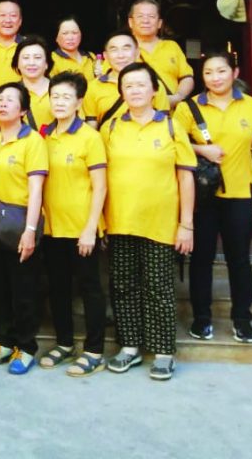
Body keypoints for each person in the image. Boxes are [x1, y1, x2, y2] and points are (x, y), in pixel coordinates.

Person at [101, 62, 195, 381]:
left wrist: (186, 224)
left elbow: (186, 177)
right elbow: (98, 176)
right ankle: (130, 347)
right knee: (123, 286)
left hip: (160, 223)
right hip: (119, 220)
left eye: (141, 84)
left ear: (155, 90)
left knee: (158, 288)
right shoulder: (111, 128)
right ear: (121, 92)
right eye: (128, 86)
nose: (135, 91)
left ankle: (164, 352)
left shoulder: (170, 126)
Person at [187, 51, 252, 344]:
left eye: (221, 71)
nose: (215, 78)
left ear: (235, 73)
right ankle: (201, 319)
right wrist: (202, 149)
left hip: (240, 193)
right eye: (208, 72)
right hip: (203, 195)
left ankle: (242, 319)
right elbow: (175, 144)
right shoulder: (189, 108)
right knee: (201, 258)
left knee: (239, 259)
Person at [38, 72, 108, 377]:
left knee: (90, 288)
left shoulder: (90, 137)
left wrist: (91, 227)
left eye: (66, 97)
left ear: (79, 102)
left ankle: (94, 350)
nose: (60, 102)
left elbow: (101, 186)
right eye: (55, 97)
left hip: (82, 228)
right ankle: (64, 343)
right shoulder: (44, 136)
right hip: (52, 227)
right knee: (58, 288)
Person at [0, 82, 48, 375]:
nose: (3, 104)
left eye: (10, 100)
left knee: (23, 292)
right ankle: (3, 342)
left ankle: (26, 347)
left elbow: (37, 188)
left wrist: (30, 230)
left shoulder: (32, 141)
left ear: (23, 110)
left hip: (19, 226)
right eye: (0, 100)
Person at [83, 30, 178, 129]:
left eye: (126, 48)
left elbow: (163, 124)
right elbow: (92, 127)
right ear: (106, 56)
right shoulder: (93, 88)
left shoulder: (153, 84)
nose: (121, 55)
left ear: (137, 53)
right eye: (114, 50)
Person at [128, 0, 194, 107]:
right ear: (131, 22)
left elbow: (187, 77)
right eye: (140, 16)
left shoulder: (171, 46)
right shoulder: (123, 49)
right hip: (133, 112)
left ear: (159, 23)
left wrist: (177, 97)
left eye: (151, 16)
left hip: (170, 113)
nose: (145, 21)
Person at [13, 35, 54, 130]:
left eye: (37, 57)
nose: (31, 63)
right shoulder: (11, 93)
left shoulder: (63, 90)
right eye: (26, 58)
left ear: (47, 63)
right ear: (17, 63)